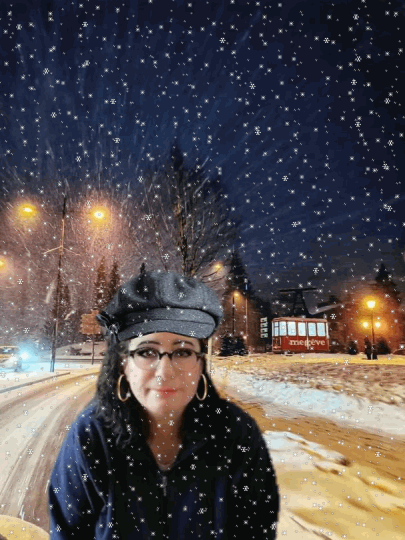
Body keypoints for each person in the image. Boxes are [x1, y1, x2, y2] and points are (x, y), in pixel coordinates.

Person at [48, 270, 279, 539]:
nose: (165, 371)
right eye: (147, 351)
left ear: (200, 363)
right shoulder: (91, 435)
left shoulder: (238, 435)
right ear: (123, 364)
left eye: (183, 351)